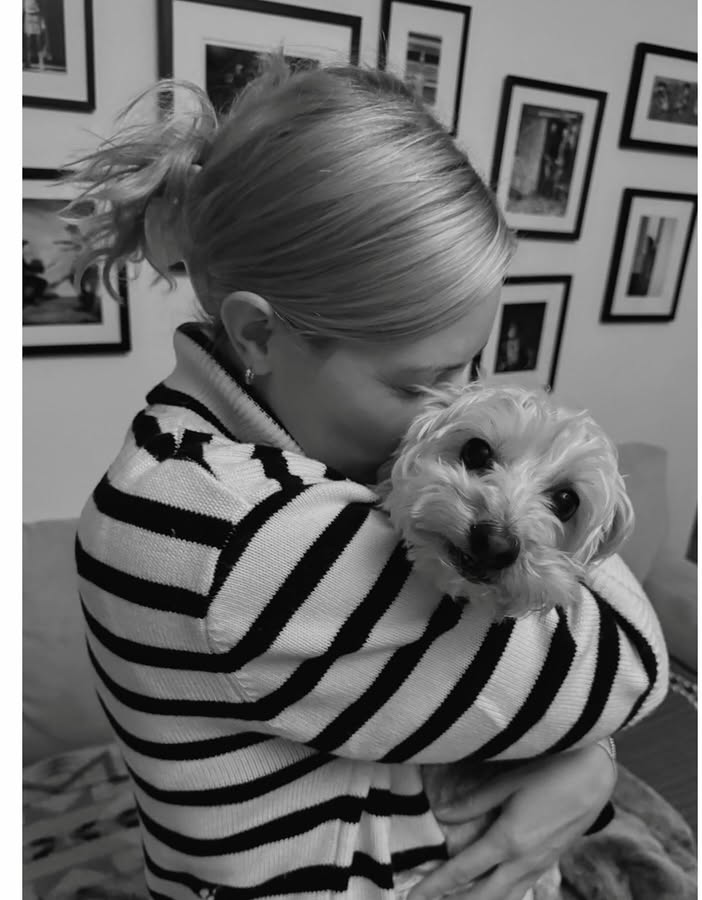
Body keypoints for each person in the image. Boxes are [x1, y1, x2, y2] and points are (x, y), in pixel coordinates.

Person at [69, 55, 668, 900]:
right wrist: (592, 761)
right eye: (419, 383)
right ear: (259, 336)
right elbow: (634, 666)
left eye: (465, 372)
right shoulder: (249, 539)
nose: (442, 413)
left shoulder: (178, 450)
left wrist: (585, 766)